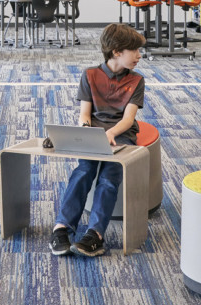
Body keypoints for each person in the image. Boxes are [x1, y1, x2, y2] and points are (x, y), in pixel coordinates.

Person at [51, 23, 146, 258]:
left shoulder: (136, 80)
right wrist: (86, 131)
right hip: (93, 134)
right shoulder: (90, 75)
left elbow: (128, 119)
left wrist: (111, 133)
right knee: (83, 171)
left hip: (122, 135)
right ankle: (62, 227)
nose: (139, 56)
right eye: (134, 51)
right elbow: (85, 114)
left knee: (109, 177)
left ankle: (95, 234)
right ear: (116, 52)